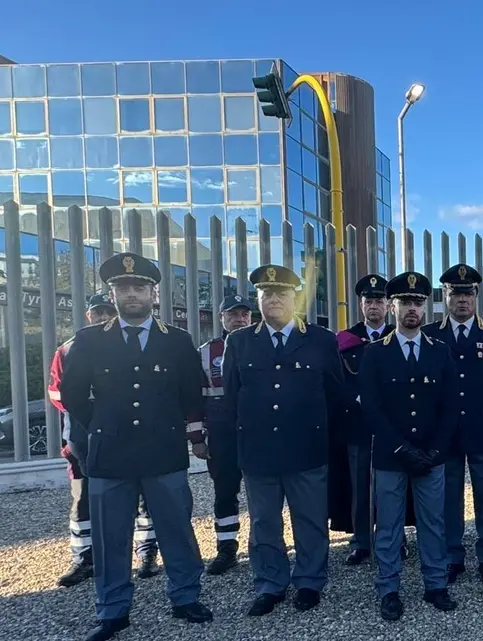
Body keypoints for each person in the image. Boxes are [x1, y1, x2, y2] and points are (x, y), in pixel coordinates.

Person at [60, 253, 211, 641]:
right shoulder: (90, 340)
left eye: (139, 287)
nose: (132, 294)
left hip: (163, 451)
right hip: (110, 454)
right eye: (123, 287)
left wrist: (187, 432)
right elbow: (73, 393)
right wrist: (101, 423)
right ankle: (113, 611)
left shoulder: (176, 341)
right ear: (112, 293)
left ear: (153, 293)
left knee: (176, 529)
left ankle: (184, 596)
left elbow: (190, 391)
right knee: (112, 537)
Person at [219, 264, 347, 616]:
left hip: (306, 447)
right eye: (266, 294)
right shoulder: (240, 341)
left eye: (281, 293)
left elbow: (335, 394)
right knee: (264, 523)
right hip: (259, 451)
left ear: (295, 298)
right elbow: (232, 397)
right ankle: (270, 584)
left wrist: (325, 439)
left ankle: (309, 580)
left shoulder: (320, 339)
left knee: (309, 519)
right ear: (258, 299)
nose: (273, 299)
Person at [360, 271, 460, 618]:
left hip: (431, 455)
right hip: (392, 455)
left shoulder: (440, 352)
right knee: (388, 526)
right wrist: (401, 448)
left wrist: (434, 451)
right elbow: (371, 408)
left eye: (417, 302)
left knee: (433, 523)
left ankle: (436, 585)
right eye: (404, 302)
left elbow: (451, 406)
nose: (411, 309)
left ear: (425, 306)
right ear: (392, 306)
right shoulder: (375, 354)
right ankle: (389, 589)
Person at [48, 293, 162, 588]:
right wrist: (97, 416)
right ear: (88, 316)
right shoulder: (70, 348)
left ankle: (146, 551)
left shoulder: (130, 345)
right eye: (97, 312)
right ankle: (84, 557)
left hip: (127, 436)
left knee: (142, 498)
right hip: (82, 438)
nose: (102, 317)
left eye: (106, 312)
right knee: (83, 499)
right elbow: (58, 394)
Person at [423, 264, 483, 585]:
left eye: (467, 293)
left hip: (482, 427)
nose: (462, 300)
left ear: (476, 295)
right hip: (445, 433)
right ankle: (452, 556)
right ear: (445, 296)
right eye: (455, 293)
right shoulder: (431, 335)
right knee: (448, 496)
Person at [334, 274, 395, 566]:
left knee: (394, 486)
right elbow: (338, 380)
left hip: (394, 425)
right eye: (368, 300)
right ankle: (361, 541)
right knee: (359, 485)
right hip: (358, 424)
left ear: (388, 305)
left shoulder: (399, 335)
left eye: (379, 300)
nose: (374, 306)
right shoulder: (346, 340)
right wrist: (361, 401)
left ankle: (396, 538)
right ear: (361, 304)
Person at [191, 294, 253, 576]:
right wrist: (197, 438)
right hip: (221, 431)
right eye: (233, 315)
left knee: (262, 490)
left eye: (244, 314)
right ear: (221, 318)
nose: (239, 319)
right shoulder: (206, 352)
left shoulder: (259, 345)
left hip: (255, 429)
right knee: (225, 490)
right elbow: (194, 398)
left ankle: (263, 544)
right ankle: (226, 547)